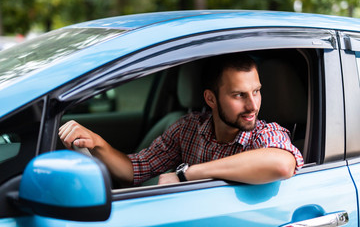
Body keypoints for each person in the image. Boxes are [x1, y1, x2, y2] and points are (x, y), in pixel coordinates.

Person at [59, 53, 304, 187]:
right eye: (239, 95)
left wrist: (187, 174)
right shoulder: (188, 128)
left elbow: (282, 163)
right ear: (211, 98)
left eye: (256, 91)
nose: (252, 105)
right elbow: (135, 170)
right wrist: (97, 142)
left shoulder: (265, 133)